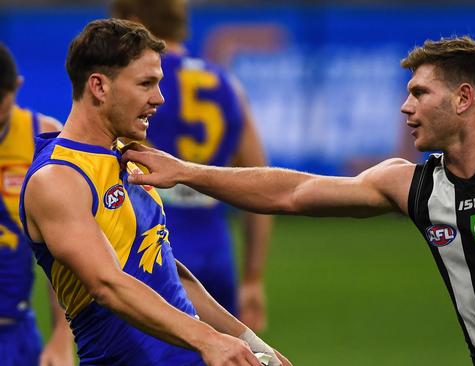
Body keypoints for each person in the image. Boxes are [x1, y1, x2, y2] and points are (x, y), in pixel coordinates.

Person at [124, 36, 475, 365]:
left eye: (420, 93)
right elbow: (295, 191)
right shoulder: (412, 184)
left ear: (463, 99)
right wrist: (188, 171)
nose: (405, 107)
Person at [19, 19, 289, 366]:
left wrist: (253, 344)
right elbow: (107, 284)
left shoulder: (126, 160)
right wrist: (209, 340)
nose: (159, 98)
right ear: (99, 86)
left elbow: (167, 273)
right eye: (147, 84)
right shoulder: (57, 178)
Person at [109, 0, 272, 330]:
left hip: (153, 245)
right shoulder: (227, 84)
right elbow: (259, 181)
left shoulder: (135, 81)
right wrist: (253, 277)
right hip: (215, 248)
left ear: (134, 23)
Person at [0, 42, 74, 366]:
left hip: (15, 338)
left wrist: (61, 337)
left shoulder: (42, 136)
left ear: (16, 87)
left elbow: (64, 252)